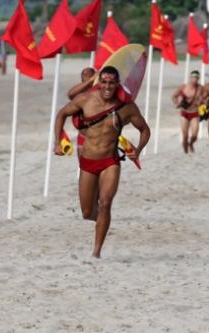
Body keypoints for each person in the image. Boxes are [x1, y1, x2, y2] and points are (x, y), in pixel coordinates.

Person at [54, 66, 151, 258]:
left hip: (110, 161)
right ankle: (102, 220)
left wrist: (138, 150)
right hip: (88, 161)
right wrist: (57, 142)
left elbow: (145, 130)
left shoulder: (126, 108)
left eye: (112, 83)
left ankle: (96, 252)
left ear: (117, 84)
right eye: (104, 82)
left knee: (105, 203)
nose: (107, 86)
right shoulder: (85, 100)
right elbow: (61, 114)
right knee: (88, 212)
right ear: (99, 83)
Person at [171, 70, 204, 154]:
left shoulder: (200, 88)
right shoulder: (183, 87)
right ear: (190, 78)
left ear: (198, 79)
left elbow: (205, 98)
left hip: (195, 113)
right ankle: (185, 153)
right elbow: (174, 96)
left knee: (194, 135)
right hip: (184, 113)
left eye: (196, 78)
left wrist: (201, 102)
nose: (194, 80)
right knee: (185, 136)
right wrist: (178, 103)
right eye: (193, 78)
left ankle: (191, 143)